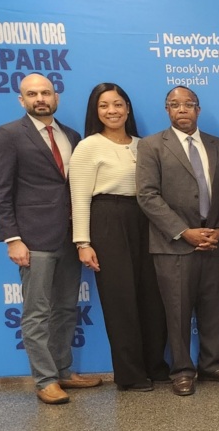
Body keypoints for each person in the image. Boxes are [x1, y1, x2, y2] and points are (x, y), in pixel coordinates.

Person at [0, 73, 101, 404]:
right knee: (37, 312)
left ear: (56, 98)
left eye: (46, 92)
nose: (40, 98)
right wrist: (12, 238)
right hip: (33, 239)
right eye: (32, 94)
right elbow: (0, 192)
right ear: (21, 100)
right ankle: (45, 380)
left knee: (66, 308)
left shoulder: (72, 136)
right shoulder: (8, 135)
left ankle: (64, 371)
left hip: (70, 237)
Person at [136, 86, 219, 396]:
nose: (181, 109)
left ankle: (212, 365)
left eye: (188, 104)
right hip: (173, 245)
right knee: (178, 310)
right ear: (167, 110)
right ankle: (182, 370)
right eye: (174, 104)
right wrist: (184, 231)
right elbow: (147, 195)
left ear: (198, 109)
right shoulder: (152, 145)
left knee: (215, 307)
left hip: (215, 241)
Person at [69, 82, 169, 392]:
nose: (112, 110)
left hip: (145, 219)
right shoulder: (89, 146)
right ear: (96, 112)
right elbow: (80, 198)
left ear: (127, 108)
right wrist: (83, 243)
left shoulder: (145, 145)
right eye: (104, 105)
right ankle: (130, 375)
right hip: (108, 219)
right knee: (120, 299)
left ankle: (156, 366)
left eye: (117, 104)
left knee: (153, 298)